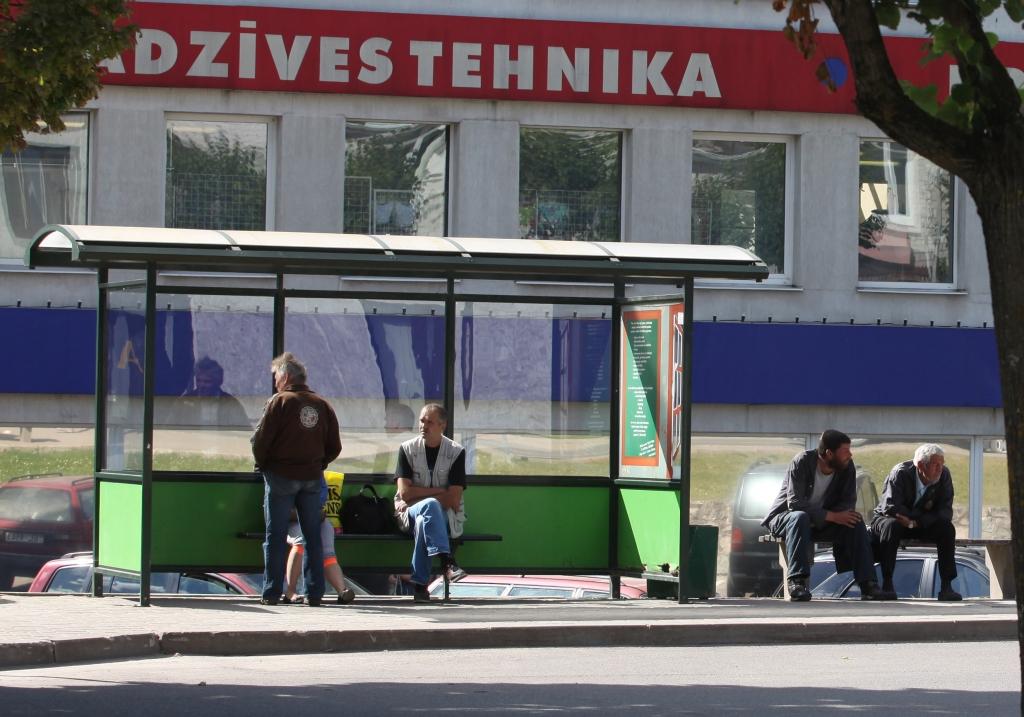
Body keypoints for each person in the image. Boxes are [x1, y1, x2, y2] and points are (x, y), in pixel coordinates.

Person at [252, 352, 341, 607]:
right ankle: (314, 593)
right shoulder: (322, 405)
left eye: (276, 378)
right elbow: (334, 446)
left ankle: (271, 592)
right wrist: (318, 464)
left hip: (280, 477)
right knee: (312, 536)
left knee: (276, 535)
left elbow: (261, 441)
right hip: (312, 478)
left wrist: (265, 465)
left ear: (286, 377)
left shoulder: (279, 402)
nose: (275, 383)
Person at [762, 429, 893, 602]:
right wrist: (832, 516)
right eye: (845, 451)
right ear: (829, 453)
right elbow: (795, 504)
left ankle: (868, 585)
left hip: (820, 522)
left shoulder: (847, 466)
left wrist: (832, 517)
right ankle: (797, 583)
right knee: (800, 517)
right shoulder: (802, 461)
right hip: (786, 518)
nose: (850, 455)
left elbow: (847, 503)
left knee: (854, 521)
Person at [393, 403, 467, 603]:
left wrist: (422, 497)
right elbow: (405, 493)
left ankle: (420, 586)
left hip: (445, 517)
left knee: (424, 520)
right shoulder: (407, 449)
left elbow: (454, 499)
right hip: (408, 513)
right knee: (430, 506)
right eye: (422, 421)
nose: (423, 426)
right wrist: (440, 491)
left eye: (430, 422)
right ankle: (447, 561)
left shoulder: (456, 452)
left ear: (443, 425)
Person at [870, 443, 961, 601]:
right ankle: (887, 583)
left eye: (942, 464)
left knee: (947, 528)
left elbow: (945, 512)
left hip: (920, 523)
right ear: (921, 465)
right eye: (935, 464)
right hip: (891, 518)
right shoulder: (900, 473)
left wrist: (916, 522)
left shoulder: (944, 475)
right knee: (891, 526)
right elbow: (891, 507)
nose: (940, 468)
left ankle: (947, 586)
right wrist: (920, 517)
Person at [283, 474, 356, 605]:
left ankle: (342, 591)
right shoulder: (284, 471)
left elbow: (321, 496)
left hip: (314, 516)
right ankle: (290, 591)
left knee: (328, 547)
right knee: (300, 541)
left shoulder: (315, 471)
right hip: (291, 518)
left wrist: (314, 511)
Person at [168, 356, 250, 428]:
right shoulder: (184, 403)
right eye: (199, 381)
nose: (202, 385)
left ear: (218, 382)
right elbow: (169, 431)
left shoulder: (231, 404)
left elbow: (244, 431)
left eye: (207, 382)